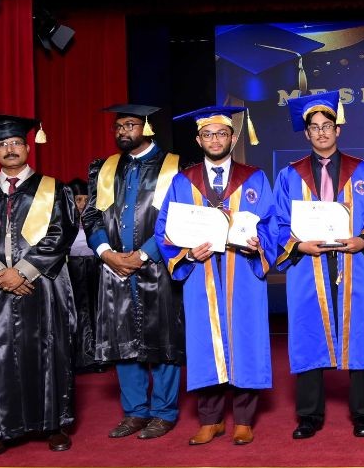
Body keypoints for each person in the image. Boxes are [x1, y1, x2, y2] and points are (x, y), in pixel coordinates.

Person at [0, 115, 77, 455]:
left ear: (27, 148)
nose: (10, 149)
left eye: (16, 143)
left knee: (47, 350)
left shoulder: (54, 189)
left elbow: (61, 233)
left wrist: (23, 271)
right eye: (2, 144)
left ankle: (53, 423)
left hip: (41, 285)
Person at [156, 106, 276, 446]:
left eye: (221, 133)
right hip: (201, 272)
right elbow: (164, 229)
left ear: (232, 138)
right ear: (198, 140)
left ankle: (243, 420)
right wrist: (186, 254)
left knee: (245, 339)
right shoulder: (183, 181)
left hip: (243, 272)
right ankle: (210, 420)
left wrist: (259, 245)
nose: (215, 140)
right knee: (205, 342)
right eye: (207, 134)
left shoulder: (254, 178)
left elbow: (271, 223)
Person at [274, 91, 364, 439]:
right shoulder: (289, 175)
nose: (321, 132)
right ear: (306, 134)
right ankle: (309, 415)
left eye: (327, 126)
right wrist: (298, 245)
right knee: (308, 333)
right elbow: (277, 221)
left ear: (338, 130)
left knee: (359, 334)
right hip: (308, 267)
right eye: (315, 127)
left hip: (353, 263)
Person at [81, 104, 185, 440]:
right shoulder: (105, 168)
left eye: (130, 125)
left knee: (164, 339)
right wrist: (106, 252)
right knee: (122, 340)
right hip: (114, 268)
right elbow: (92, 216)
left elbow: (180, 217)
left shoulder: (174, 166)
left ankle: (164, 412)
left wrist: (143, 255)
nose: (123, 131)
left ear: (147, 127)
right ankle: (135, 411)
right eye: (118, 126)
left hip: (158, 266)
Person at [66, 178, 103, 372]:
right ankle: (78, 357)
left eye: (86, 200)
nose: (82, 204)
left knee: (96, 309)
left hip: (94, 266)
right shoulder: (63, 220)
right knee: (77, 311)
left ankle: (96, 356)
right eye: (78, 199)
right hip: (71, 268)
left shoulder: (95, 220)